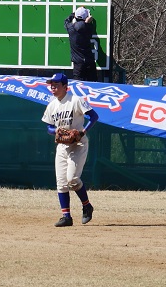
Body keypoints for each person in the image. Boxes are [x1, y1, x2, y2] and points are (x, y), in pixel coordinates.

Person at [41, 72, 99, 227]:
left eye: (56, 84)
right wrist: (56, 131)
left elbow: (94, 116)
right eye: (51, 85)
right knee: (61, 183)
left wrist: (82, 132)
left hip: (78, 144)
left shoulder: (75, 100)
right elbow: (48, 127)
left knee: (72, 179)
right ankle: (66, 217)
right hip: (62, 146)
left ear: (65, 87)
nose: (53, 87)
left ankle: (87, 206)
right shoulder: (52, 105)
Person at [64, 6, 97, 82]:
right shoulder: (89, 27)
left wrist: (73, 14)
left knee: (78, 85)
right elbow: (84, 26)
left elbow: (66, 21)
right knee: (93, 85)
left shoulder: (70, 28)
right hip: (90, 62)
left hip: (78, 64)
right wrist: (87, 21)